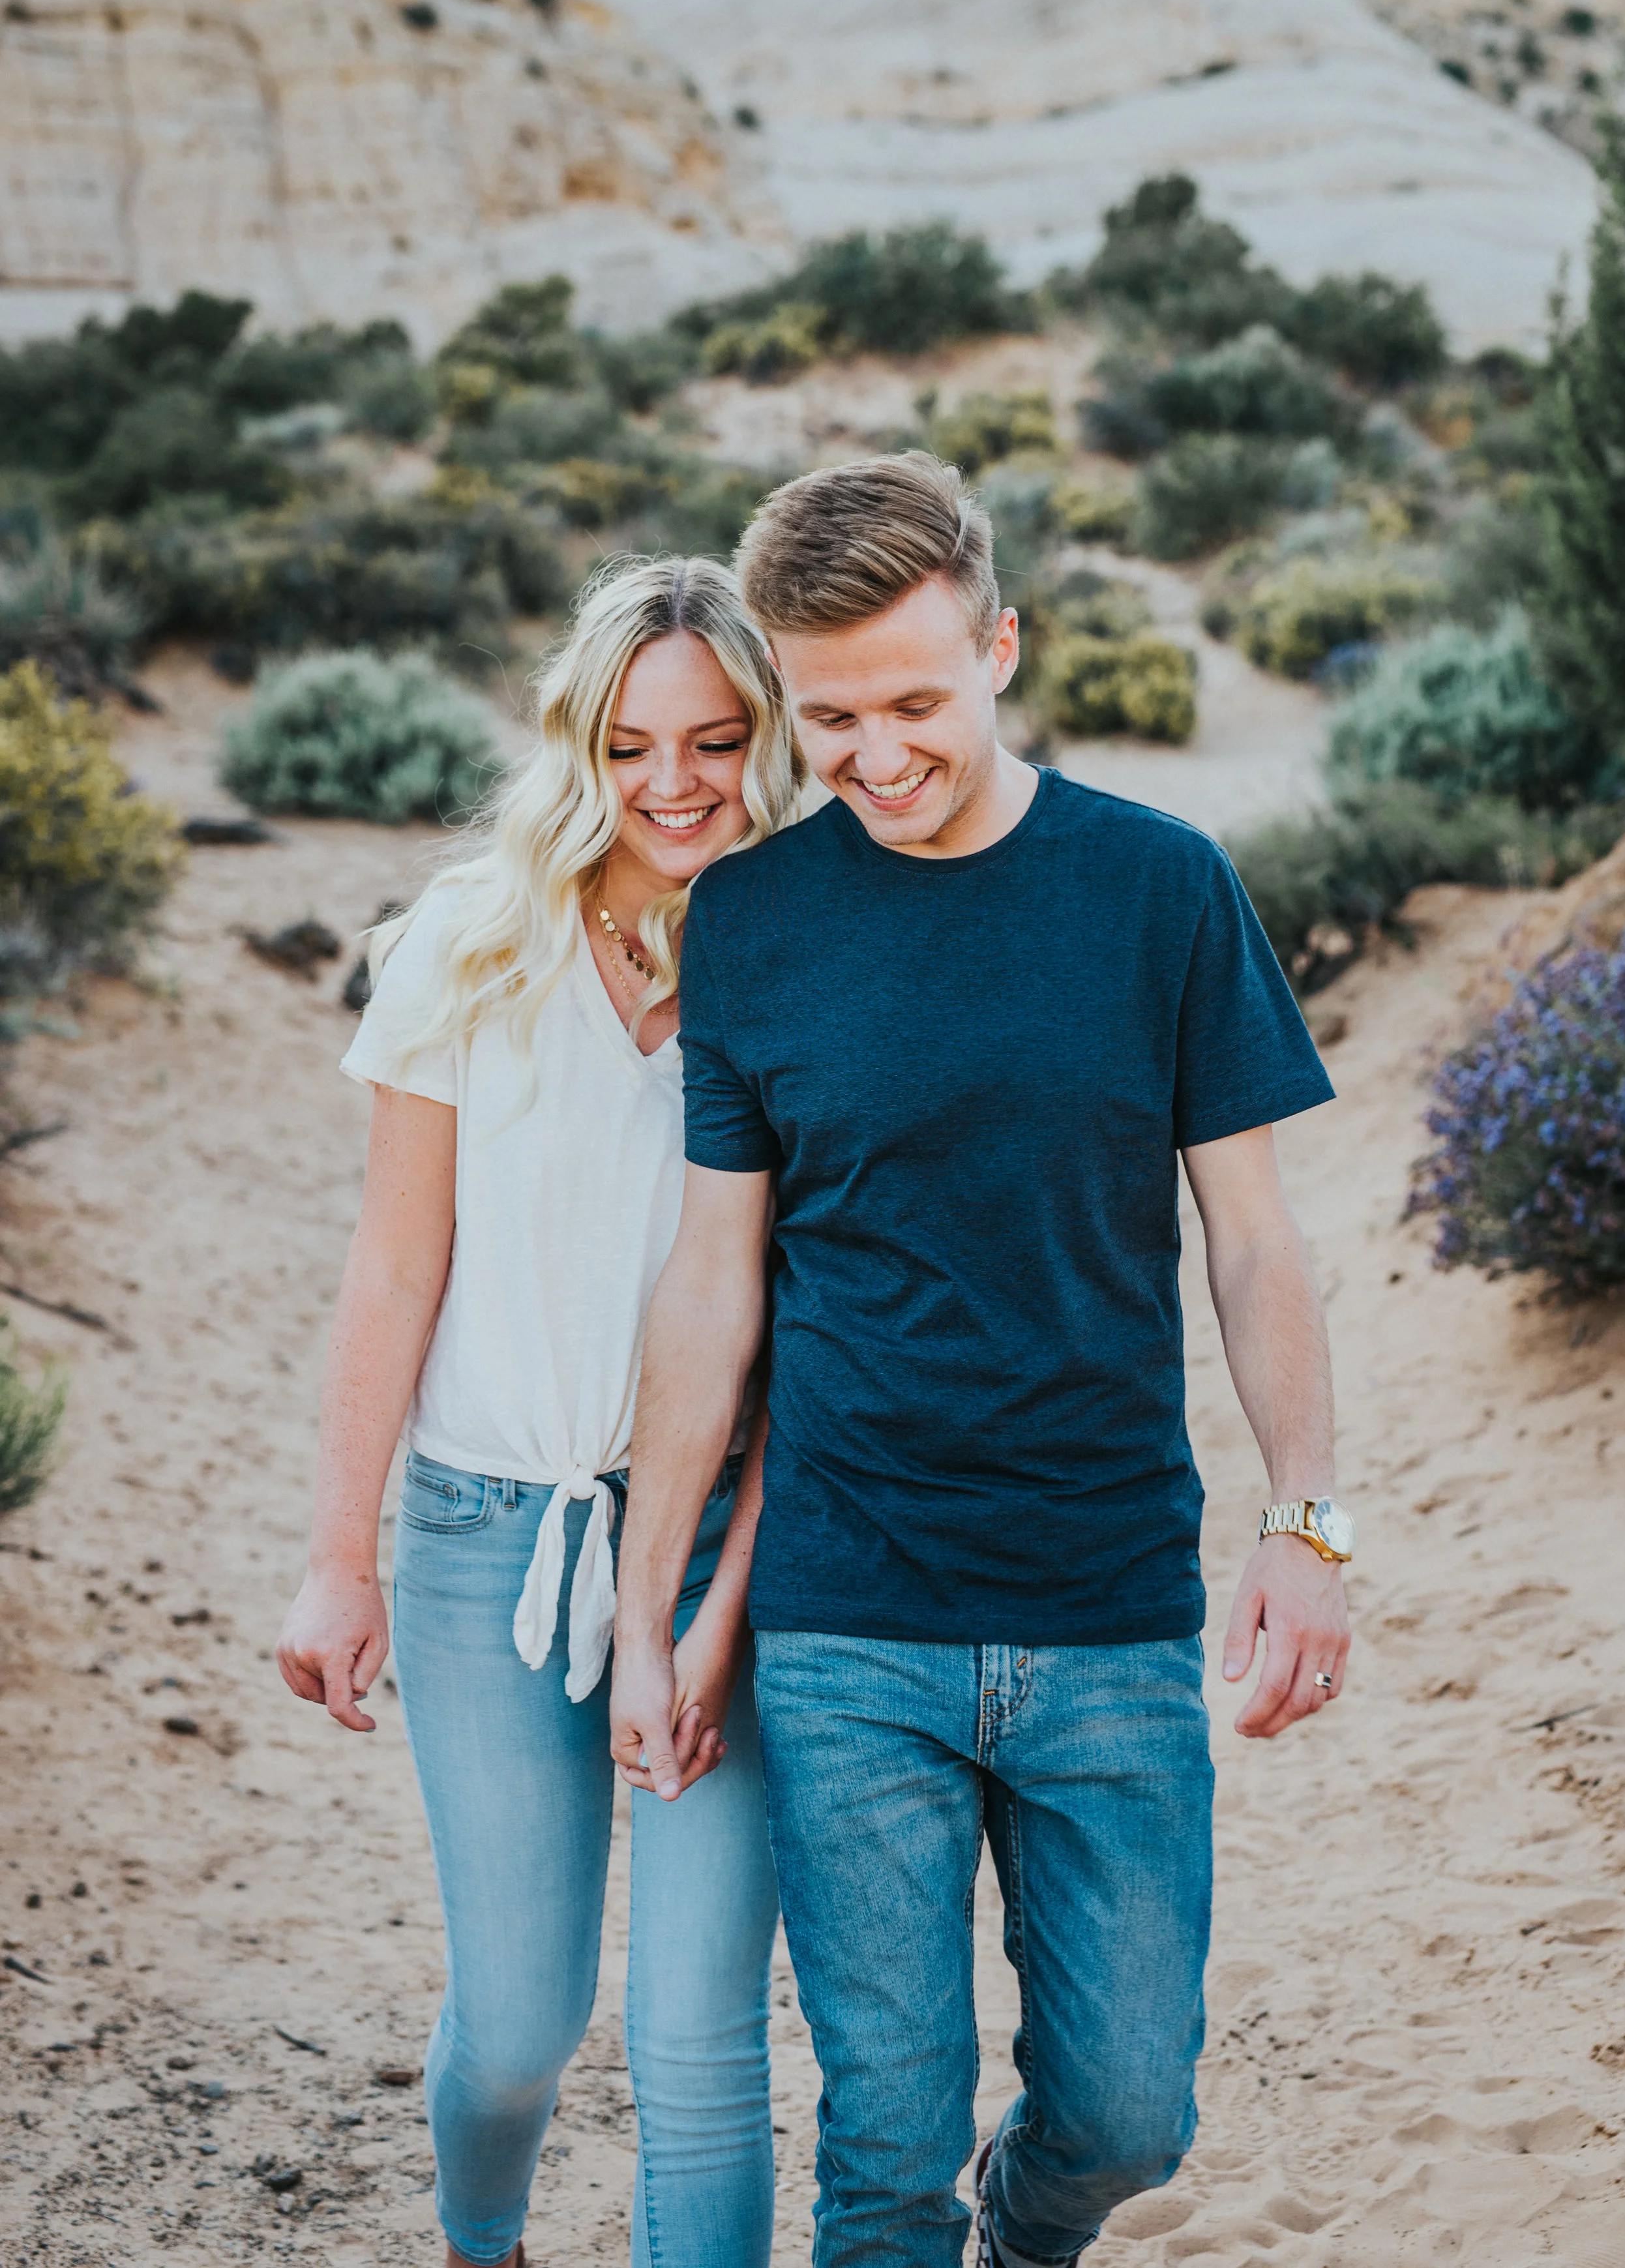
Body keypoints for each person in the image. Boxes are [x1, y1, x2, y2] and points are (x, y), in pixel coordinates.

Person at [610, 455, 1351, 2268]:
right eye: (830, 713)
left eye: (916, 702)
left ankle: (1031, 2237)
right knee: (880, 2154)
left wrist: (1309, 1529)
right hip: (848, 1620)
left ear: (1001, 646)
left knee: (1124, 2113)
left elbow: (1252, 1243)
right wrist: (651, 1615)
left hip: (1106, 1609)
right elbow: (714, 1286)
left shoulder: (1159, 891)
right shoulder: (757, 919)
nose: (872, 755)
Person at [275, 556, 803, 2268]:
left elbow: (811, 1324)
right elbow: (390, 1269)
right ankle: (479, 2237)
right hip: (480, 1535)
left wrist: (720, 1598)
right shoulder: (469, 939)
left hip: (721, 1544)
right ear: (579, 743)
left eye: (716, 742)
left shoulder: (812, 952)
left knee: (704, 2047)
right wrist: (334, 1558)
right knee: (517, 2025)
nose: (674, 786)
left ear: (765, 739)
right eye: (632, 744)